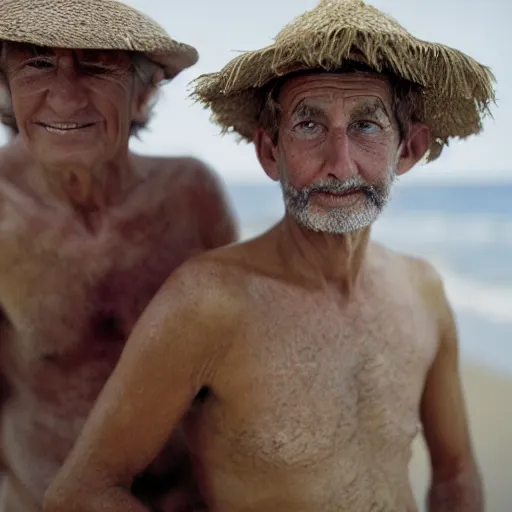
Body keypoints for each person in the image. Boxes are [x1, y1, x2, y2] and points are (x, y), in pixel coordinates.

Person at [43, 0, 496, 511]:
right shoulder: (209, 302)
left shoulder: (423, 291)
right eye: (309, 126)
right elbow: (80, 492)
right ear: (269, 152)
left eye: (367, 126)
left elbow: (456, 475)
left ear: (408, 149)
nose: (338, 163)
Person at [0, 0, 238, 510]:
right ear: (5, 82)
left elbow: (235, 379)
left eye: (95, 64)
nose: (64, 98)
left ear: (145, 92)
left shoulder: (191, 196)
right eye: (37, 62)